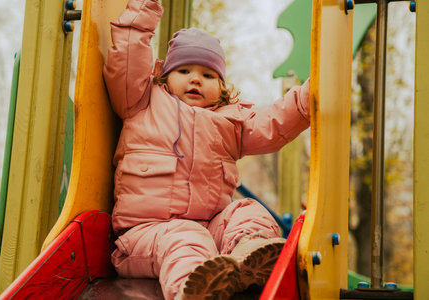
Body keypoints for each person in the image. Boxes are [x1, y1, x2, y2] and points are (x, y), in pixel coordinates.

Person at [103, 0, 310, 299]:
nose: (196, 79)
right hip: (146, 234)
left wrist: (307, 100)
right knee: (183, 238)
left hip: (209, 230)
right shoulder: (141, 101)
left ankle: (247, 257)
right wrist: (144, 9)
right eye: (184, 70)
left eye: (208, 75)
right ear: (164, 74)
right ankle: (194, 290)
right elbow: (127, 58)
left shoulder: (230, 120)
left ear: (222, 87)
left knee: (247, 211)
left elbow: (273, 124)